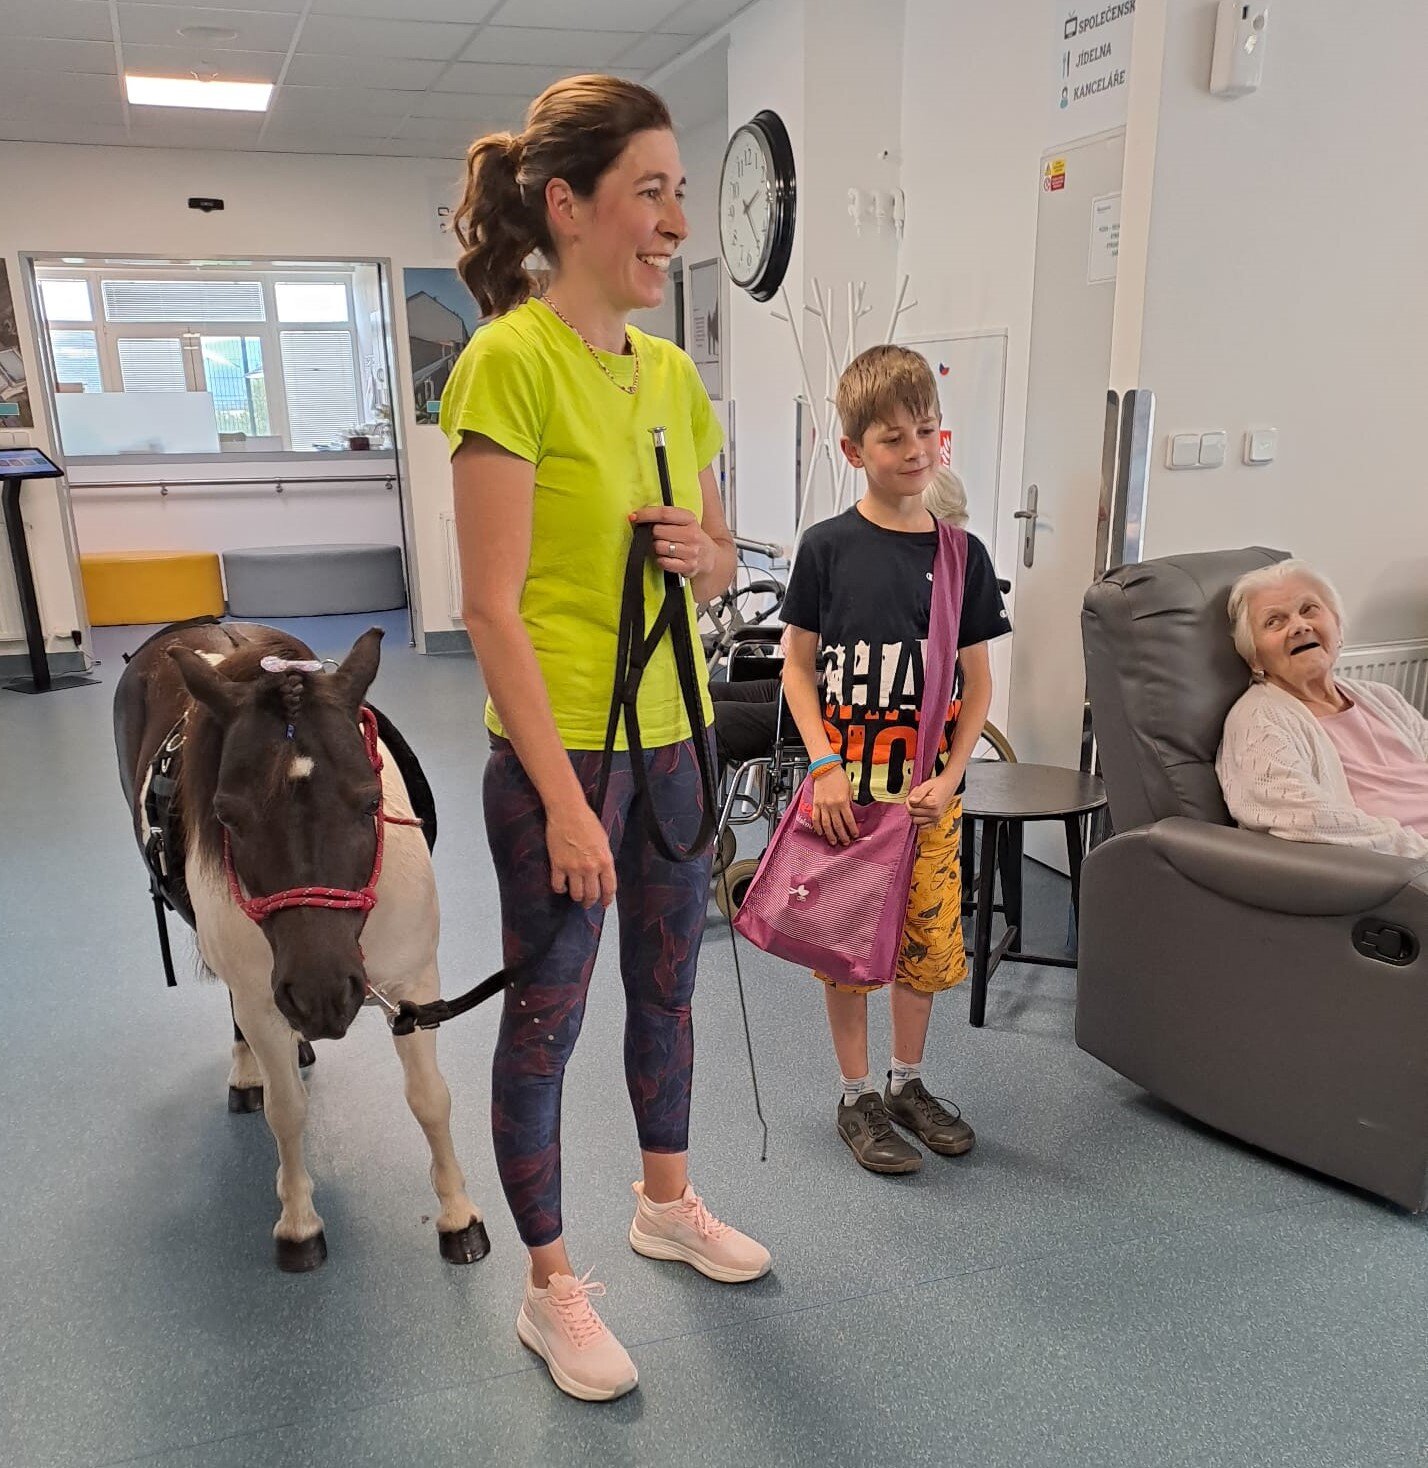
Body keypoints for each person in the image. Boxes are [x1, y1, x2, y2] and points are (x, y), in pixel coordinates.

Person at [441, 74, 770, 1404]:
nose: (678, 222)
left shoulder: (674, 376)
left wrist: (703, 552)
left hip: (673, 736)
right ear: (567, 206)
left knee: (670, 988)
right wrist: (564, 804)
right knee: (548, 1020)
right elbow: (488, 608)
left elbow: (721, 553)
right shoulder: (507, 364)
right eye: (653, 192)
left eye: (682, 193)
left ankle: (665, 1204)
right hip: (561, 756)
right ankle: (548, 1286)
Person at [779, 345, 1010, 1176]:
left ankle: (906, 1082)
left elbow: (977, 684)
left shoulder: (962, 557)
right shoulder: (826, 548)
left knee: (924, 950)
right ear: (853, 451)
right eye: (892, 437)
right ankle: (855, 1097)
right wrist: (823, 766)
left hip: (925, 803)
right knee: (846, 956)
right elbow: (796, 668)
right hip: (846, 798)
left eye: (927, 431)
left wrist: (951, 776)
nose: (915, 450)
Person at [1216, 559, 1428, 856]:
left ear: (1337, 627)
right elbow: (1307, 820)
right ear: (1255, 658)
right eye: (1274, 621)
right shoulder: (1258, 722)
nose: (1300, 626)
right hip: (1400, 867)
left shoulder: (1383, 698)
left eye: (1309, 609)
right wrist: (1419, 851)